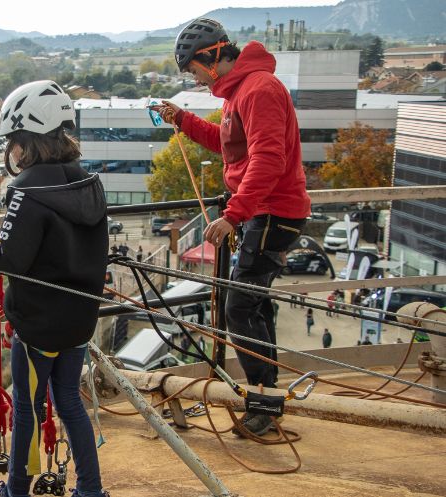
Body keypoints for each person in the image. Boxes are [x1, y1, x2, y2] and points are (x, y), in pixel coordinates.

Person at [0, 80, 109, 497]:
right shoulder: (89, 183)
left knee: (27, 409)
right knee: (69, 403)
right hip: (79, 320)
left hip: (39, 325)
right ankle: (92, 491)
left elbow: (10, 258)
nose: (12, 150)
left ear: (25, 140)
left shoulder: (27, 189)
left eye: (14, 141)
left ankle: (15, 491)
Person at [155, 17, 311, 438]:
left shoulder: (259, 89)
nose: (196, 79)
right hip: (267, 210)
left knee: (240, 306)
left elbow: (268, 160)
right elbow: (231, 149)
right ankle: (268, 395)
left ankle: (264, 403)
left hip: (272, 211)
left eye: (193, 70)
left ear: (211, 57)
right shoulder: (242, 90)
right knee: (252, 304)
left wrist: (234, 213)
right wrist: (182, 119)